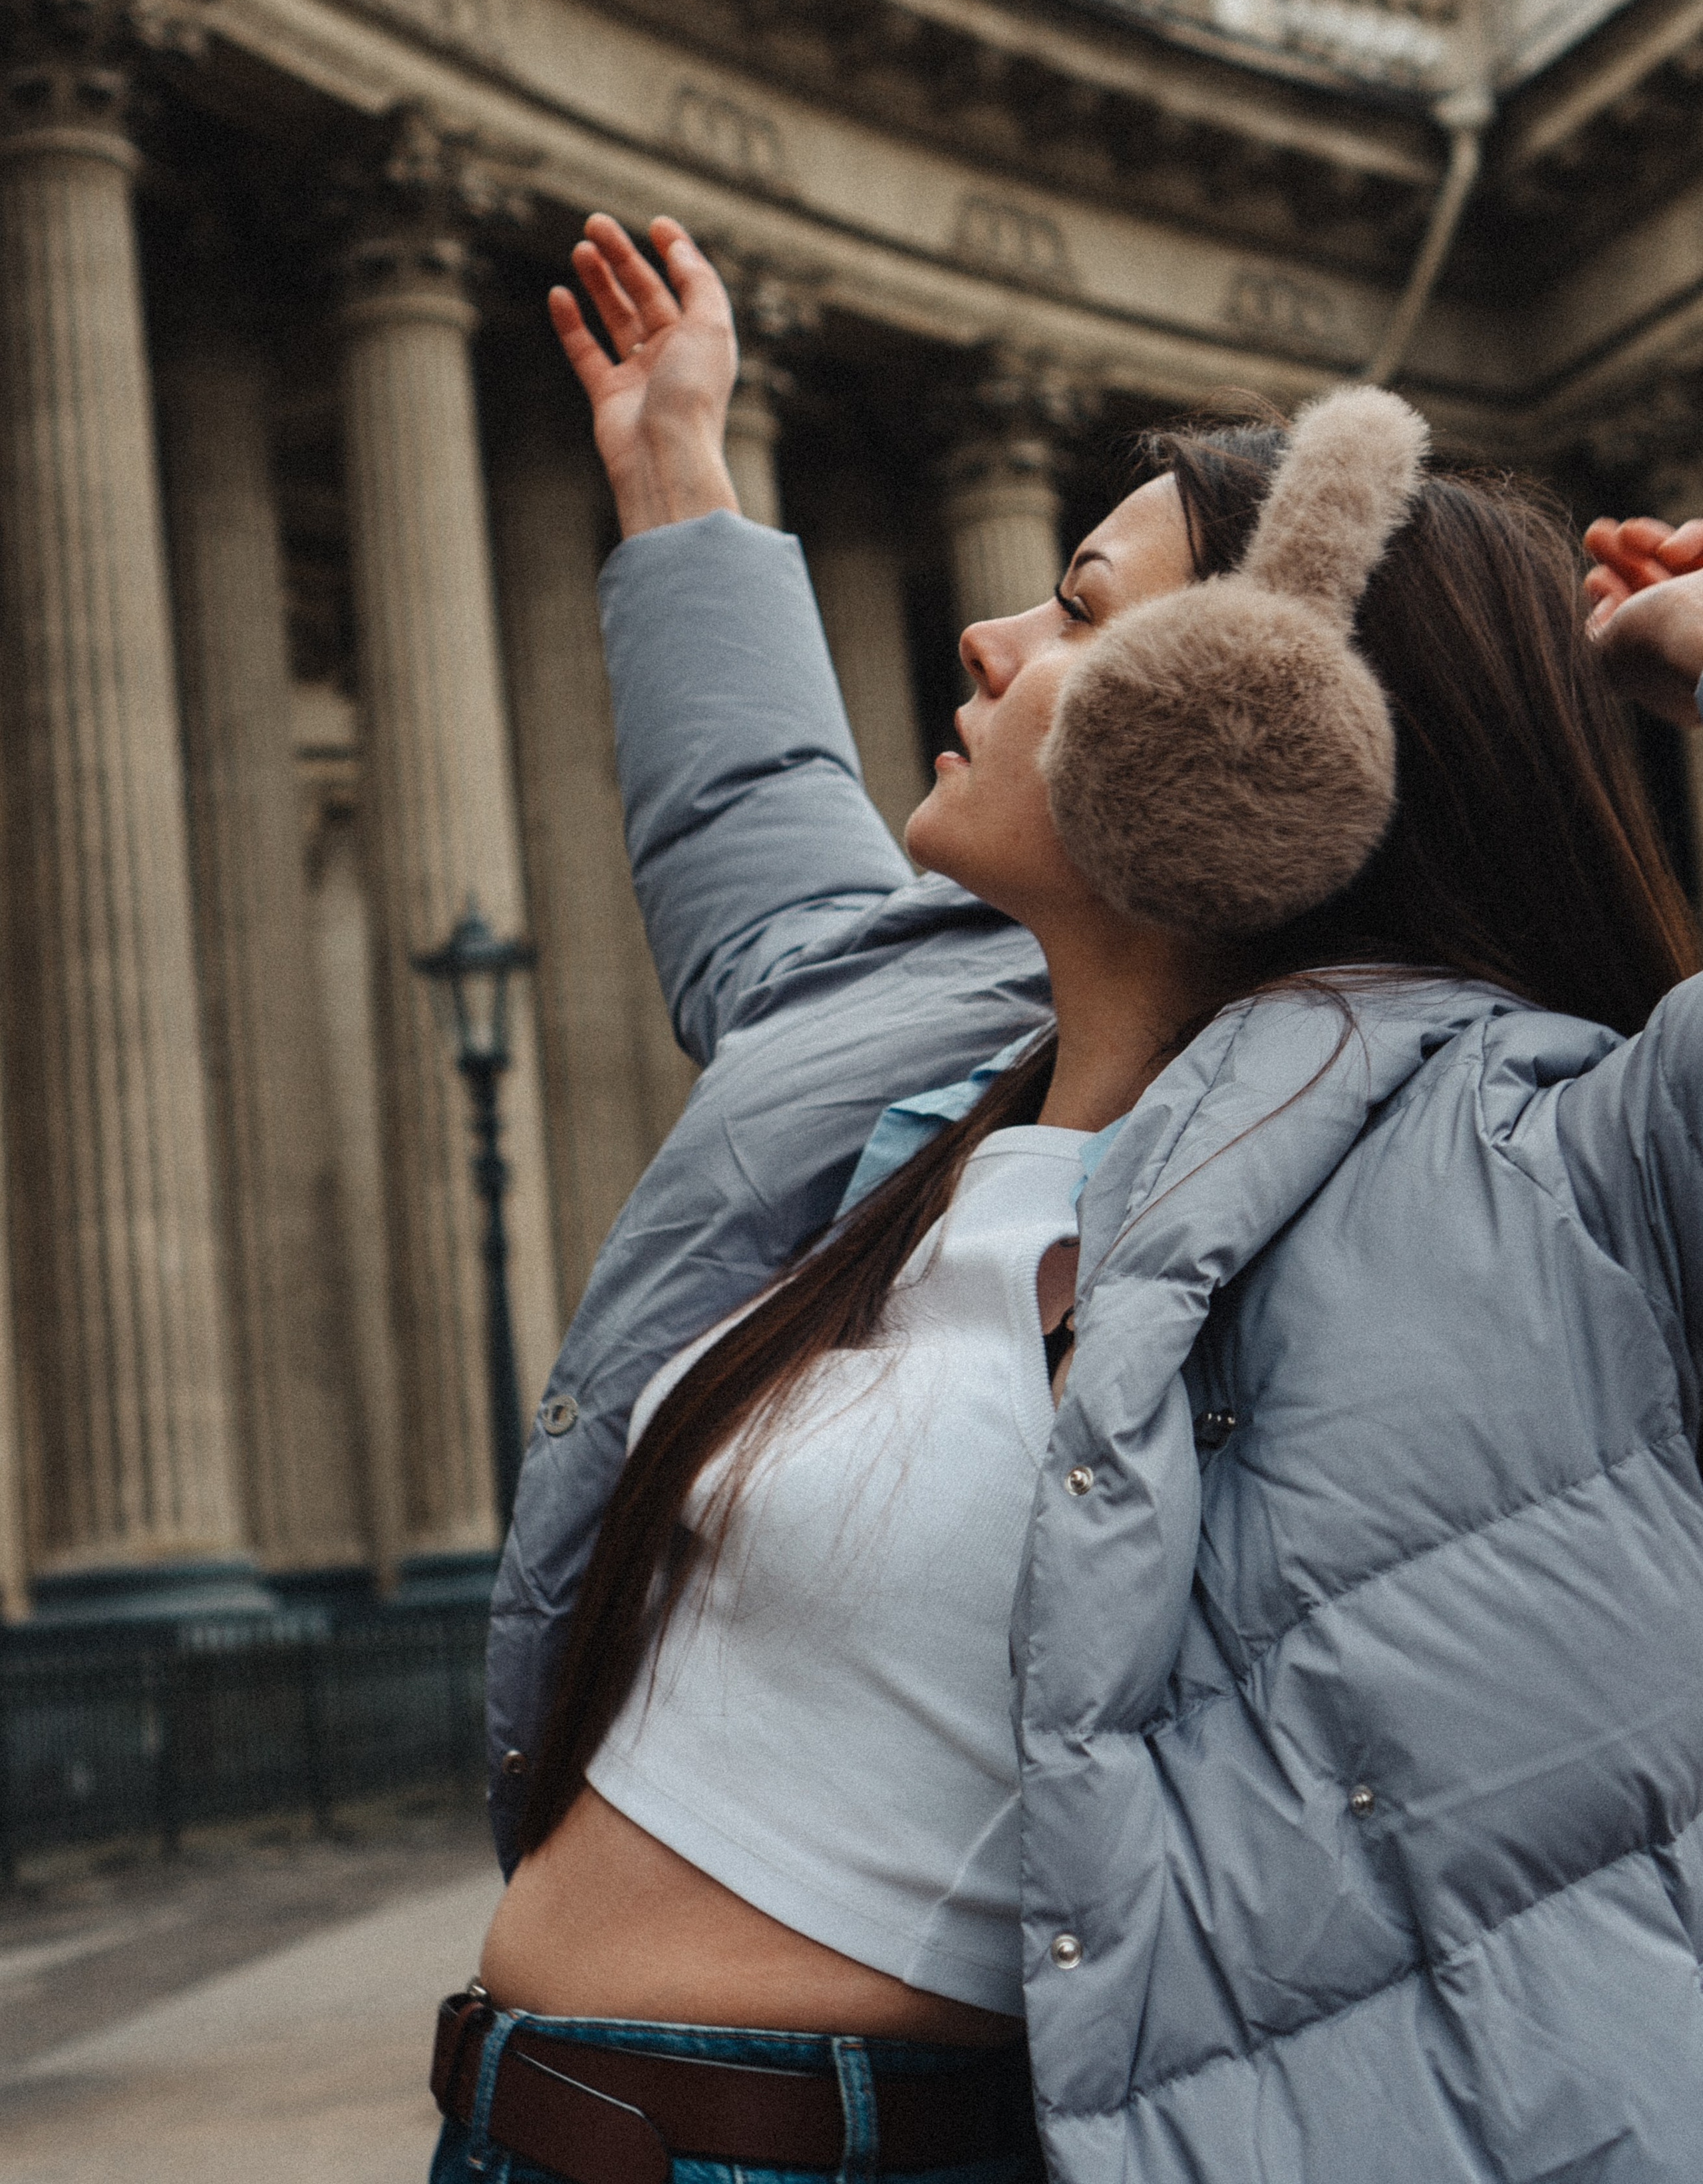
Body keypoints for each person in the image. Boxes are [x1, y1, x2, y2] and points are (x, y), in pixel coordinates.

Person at [430, 216, 1703, 2184]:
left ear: (1261, 741)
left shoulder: (1518, 1160)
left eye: (1080, 613)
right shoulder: (933, 1069)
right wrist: (678, 472)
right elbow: (759, 851)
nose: (990, 641)